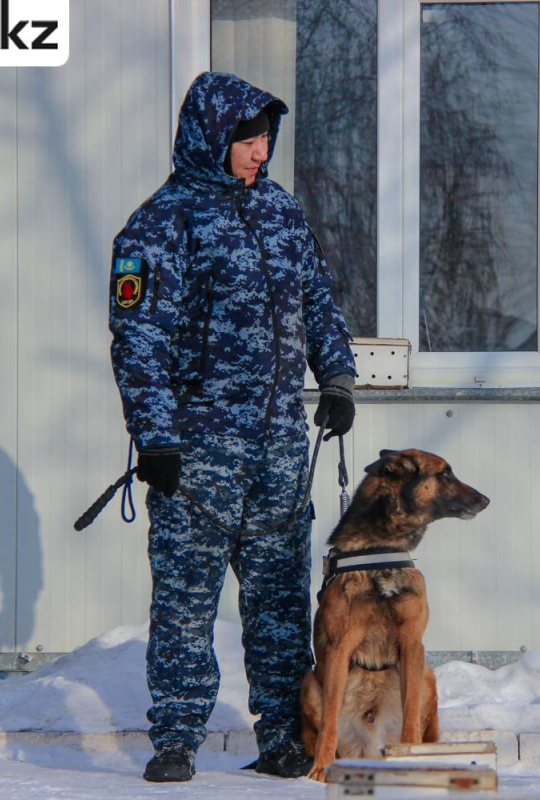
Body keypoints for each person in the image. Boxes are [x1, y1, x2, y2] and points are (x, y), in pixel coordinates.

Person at [108, 71, 357, 783]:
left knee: (279, 600)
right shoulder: (161, 223)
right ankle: (177, 738)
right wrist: (154, 435)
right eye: (247, 138)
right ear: (211, 138)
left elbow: (317, 298)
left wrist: (335, 377)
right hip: (196, 449)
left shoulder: (280, 210)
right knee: (186, 600)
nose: (260, 150)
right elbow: (139, 338)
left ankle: (282, 734)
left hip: (278, 445)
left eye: (266, 136)